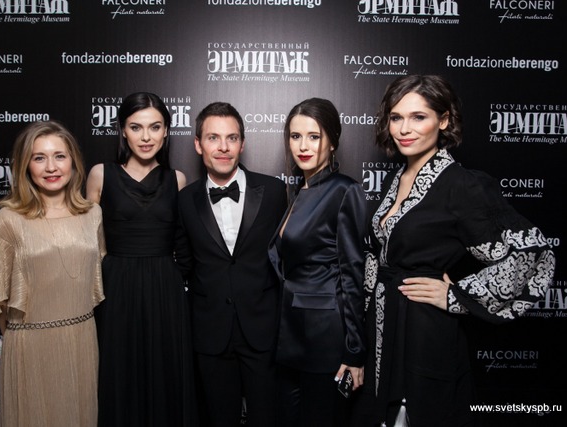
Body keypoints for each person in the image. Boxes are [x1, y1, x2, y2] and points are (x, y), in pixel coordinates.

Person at [356, 75, 556, 427]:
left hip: (424, 330)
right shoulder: (395, 178)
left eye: (419, 117)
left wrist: (456, 295)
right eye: (396, 117)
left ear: (444, 120)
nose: (404, 128)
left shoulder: (462, 185)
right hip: (382, 328)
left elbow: (534, 254)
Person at [0, 120, 105, 427]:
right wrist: (19, 343)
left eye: (59, 156)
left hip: (81, 342)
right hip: (29, 346)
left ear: (73, 161)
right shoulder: (8, 220)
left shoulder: (92, 214)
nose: (51, 167)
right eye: (39, 158)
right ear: (25, 165)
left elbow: (97, 275)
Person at [86, 92, 197, 426]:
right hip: (117, 285)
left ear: (166, 131)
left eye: (155, 127)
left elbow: (187, 240)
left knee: (165, 372)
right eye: (136, 127)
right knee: (118, 370)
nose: (146, 137)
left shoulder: (177, 179)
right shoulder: (100, 175)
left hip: (165, 287)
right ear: (123, 130)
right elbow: (84, 237)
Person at [176, 102, 288, 427]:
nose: (223, 147)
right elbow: (184, 263)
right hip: (210, 332)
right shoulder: (184, 199)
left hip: (263, 331)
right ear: (198, 144)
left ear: (242, 143)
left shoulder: (274, 190)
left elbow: (286, 260)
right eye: (213, 138)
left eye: (232, 138)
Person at [267, 98, 368, 427]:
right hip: (291, 336)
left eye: (314, 136)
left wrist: (354, 351)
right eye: (295, 136)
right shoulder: (301, 191)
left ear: (333, 141)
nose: (303, 146)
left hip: (325, 340)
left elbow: (352, 274)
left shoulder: (344, 190)